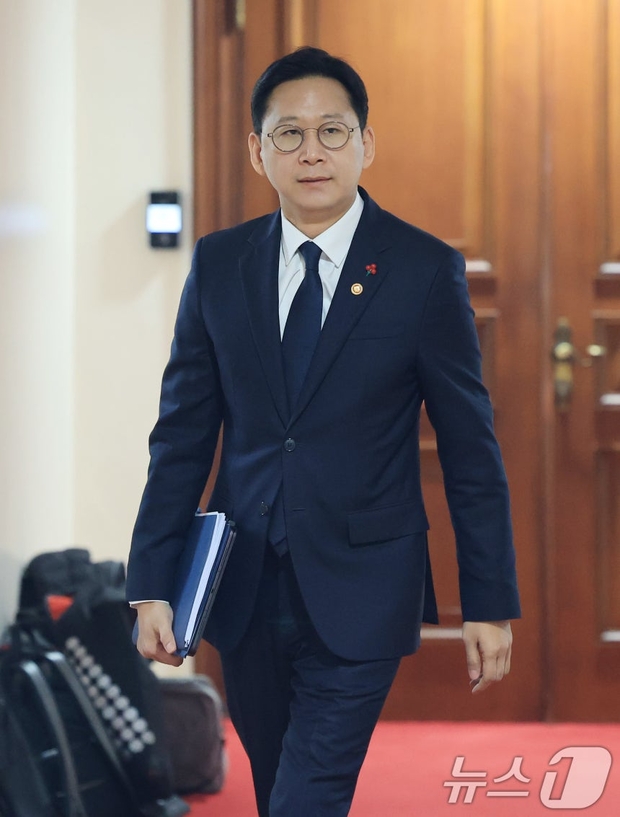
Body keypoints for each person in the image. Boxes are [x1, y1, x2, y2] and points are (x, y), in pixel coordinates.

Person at [126, 46, 520, 817]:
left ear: (366, 144)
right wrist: (151, 580)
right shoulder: (219, 265)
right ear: (257, 150)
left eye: (333, 131)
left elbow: (472, 448)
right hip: (244, 585)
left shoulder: (420, 269)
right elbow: (180, 435)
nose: (312, 152)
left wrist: (489, 598)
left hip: (365, 584)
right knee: (279, 788)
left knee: (308, 795)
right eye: (290, 134)